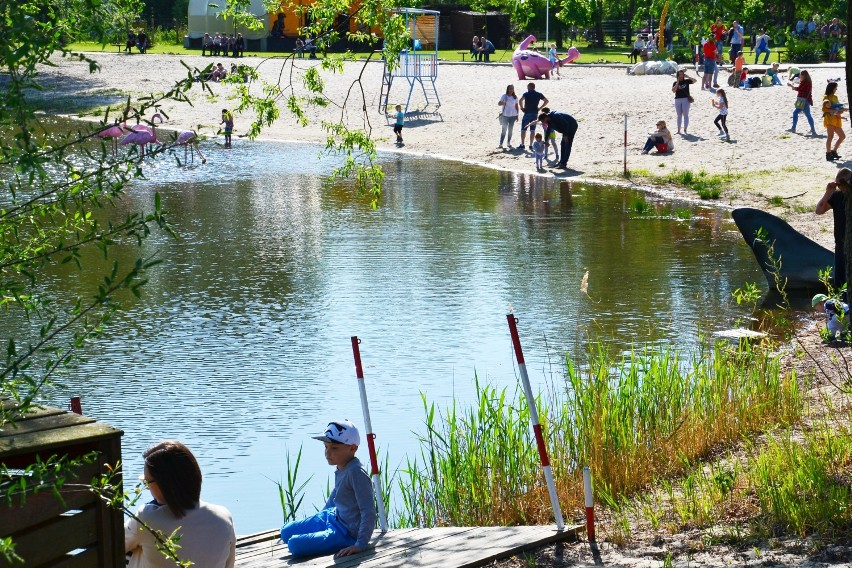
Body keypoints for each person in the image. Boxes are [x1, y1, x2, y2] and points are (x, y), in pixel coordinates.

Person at [125, 440, 235, 568]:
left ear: (164, 483)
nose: (147, 487)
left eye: (147, 482)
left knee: (134, 548)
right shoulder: (223, 516)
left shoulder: (146, 517)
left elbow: (116, 544)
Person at [280, 420, 376, 558]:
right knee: (285, 532)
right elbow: (335, 496)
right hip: (333, 516)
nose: (327, 453)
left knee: (294, 544)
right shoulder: (342, 465)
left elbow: (369, 512)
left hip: (346, 532)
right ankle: (323, 533)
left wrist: (360, 544)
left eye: (334, 448)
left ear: (353, 448)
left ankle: (333, 539)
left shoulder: (357, 473)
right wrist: (321, 518)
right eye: (326, 447)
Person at [815, 168, 851, 293]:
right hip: (840, 244)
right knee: (840, 283)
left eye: (842, 184)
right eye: (838, 185)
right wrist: (828, 192)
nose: (841, 188)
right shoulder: (836, 196)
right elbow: (819, 210)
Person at [518, 82, 548, 151]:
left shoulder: (526, 94)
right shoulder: (538, 94)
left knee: (523, 129)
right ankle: (531, 145)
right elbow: (546, 101)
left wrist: (522, 108)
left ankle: (522, 144)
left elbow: (520, 101)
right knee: (532, 130)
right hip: (535, 113)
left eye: (527, 87)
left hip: (527, 112)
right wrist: (540, 108)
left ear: (529, 87)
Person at [823, 82, 846, 161]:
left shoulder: (835, 97)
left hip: (836, 119)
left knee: (842, 136)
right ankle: (828, 154)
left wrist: (841, 111)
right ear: (832, 88)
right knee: (830, 137)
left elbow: (838, 107)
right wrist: (835, 111)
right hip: (829, 119)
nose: (836, 89)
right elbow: (824, 109)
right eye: (835, 88)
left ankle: (834, 151)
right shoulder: (826, 97)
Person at [789, 69, 816, 135]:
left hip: (803, 100)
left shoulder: (805, 82)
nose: (799, 76)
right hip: (807, 100)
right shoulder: (808, 81)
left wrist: (791, 86)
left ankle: (793, 128)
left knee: (795, 113)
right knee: (808, 115)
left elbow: (799, 89)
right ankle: (813, 129)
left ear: (804, 75)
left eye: (800, 75)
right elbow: (801, 89)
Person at [671, 69, 696, 135]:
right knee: (679, 115)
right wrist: (677, 83)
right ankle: (678, 130)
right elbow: (673, 91)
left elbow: (695, 81)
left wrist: (688, 77)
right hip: (677, 100)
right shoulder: (675, 83)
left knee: (685, 115)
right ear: (677, 75)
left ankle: (685, 130)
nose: (680, 76)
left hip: (685, 99)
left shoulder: (687, 81)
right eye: (679, 75)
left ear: (683, 75)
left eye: (682, 74)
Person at [497, 84, 519, 149]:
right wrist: (504, 103)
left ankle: (508, 143)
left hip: (513, 116)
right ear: (508, 89)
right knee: (504, 130)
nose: (511, 90)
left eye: (512, 88)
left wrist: (517, 115)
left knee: (510, 130)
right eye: (510, 89)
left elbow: (516, 106)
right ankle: (501, 144)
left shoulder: (515, 97)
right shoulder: (504, 96)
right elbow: (499, 103)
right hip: (505, 115)